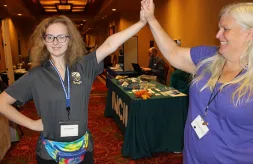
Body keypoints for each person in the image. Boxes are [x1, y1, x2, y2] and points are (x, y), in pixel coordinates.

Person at [0, 10, 146, 164]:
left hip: (83, 150)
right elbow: (2, 102)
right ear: (44, 41)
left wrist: (142, 22)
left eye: (61, 36)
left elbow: (110, 44)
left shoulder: (83, 66)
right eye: (50, 37)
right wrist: (32, 124)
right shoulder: (36, 75)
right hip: (50, 153)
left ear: (70, 40)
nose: (56, 42)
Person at [141, 0, 253, 163]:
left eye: (225, 29)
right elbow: (173, 52)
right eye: (219, 28)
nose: (218, 35)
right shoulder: (208, 58)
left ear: (249, 33)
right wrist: (151, 19)